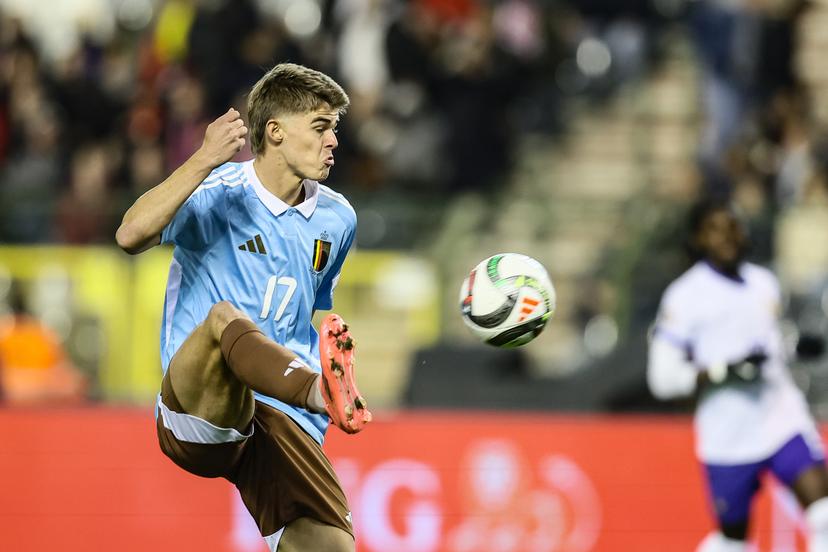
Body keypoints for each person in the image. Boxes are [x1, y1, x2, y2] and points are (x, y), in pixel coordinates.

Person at [115, 63, 372, 552]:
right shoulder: (216, 192)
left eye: (335, 129)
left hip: (280, 421)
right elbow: (129, 234)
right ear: (274, 132)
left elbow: (305, 314)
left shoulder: (339, 219)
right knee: (225, 319)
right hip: (199, 410)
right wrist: (203, 159)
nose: (333, 141)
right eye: (320, 127)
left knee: (332, 546)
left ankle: (316, 397)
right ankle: (320, 389)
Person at [647, 199, 828, 551]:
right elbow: (662, 377)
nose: (726, 237)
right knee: (734, 542)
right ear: (698, 239)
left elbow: (767, 346)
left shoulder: (763, 283)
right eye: (714, 229)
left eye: (732, 226)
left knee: (825, 512)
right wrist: (720, 372)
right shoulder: (683, 297)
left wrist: (795, 347)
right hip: (728, 434)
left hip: (779, 417)